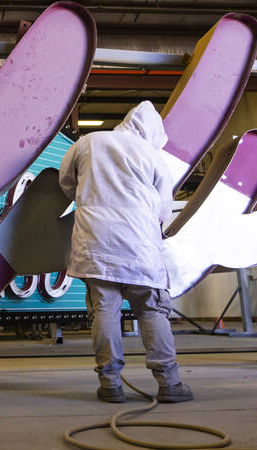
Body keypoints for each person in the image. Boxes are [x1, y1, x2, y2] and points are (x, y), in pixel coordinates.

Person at [58, 101, 193, 404]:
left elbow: (67, 185)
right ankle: (169, 384)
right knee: (151, 311)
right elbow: (163, 208)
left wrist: (93, 196)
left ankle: (110, 385)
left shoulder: (87, 143)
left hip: (95, 244)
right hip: (140, 248)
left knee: (104, 311)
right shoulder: (154, 157)